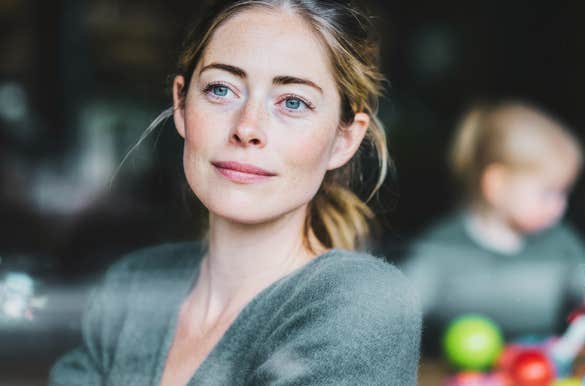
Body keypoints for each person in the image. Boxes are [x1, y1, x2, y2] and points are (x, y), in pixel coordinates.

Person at [49, 1, 421, 385]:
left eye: (293, 102)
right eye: (221, 89)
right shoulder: (133, 284)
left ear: (345, 139)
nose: (247, 127)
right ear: (181, 103)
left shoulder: (361, 304)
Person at [399, 100, 585, 351]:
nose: (561, 206)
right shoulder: (443, 247)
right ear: (497, 185)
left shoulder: (560, 243)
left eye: (565, 194)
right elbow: (402, 309)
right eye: (549, 193)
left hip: (539, 371)